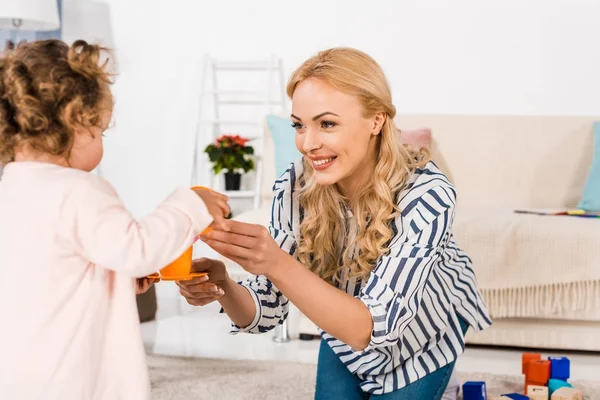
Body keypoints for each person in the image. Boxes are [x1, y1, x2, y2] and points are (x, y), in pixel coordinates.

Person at [177, 47, 492, 399]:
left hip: (421, 336)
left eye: (327, 124)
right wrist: (224, 284)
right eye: (299, 125)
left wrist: (276, 262)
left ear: (376, 120)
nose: (308, 144)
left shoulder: (427, 194)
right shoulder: (295, 187)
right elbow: (267, 311)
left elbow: (373, 328)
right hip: (343, 329)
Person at [0, 39, 229, 400]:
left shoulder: (12, 187)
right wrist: (189, 205)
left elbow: (64, 266)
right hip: (71, 375)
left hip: (19, 368)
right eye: (101, 131)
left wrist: (116, 277)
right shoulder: (79, 190)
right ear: (76, 122)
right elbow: (136, 248)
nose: (102, 141)